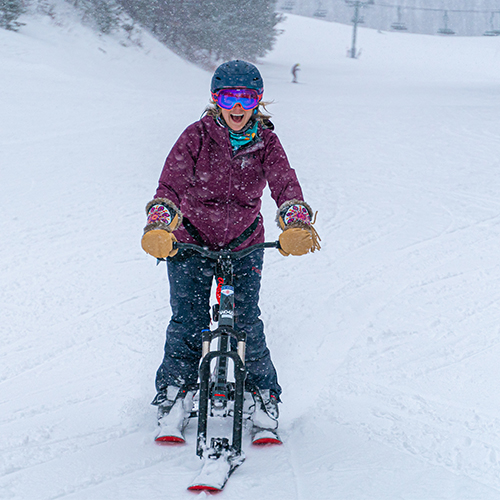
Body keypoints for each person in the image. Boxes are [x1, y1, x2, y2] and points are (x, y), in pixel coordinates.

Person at [141, 60, 320, 439]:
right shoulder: (195, 137)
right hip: (191, 241)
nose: (237, 107)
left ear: (258, 101)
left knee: (245, 321)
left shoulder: (267, 143)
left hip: (244, 242)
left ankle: (261, 393)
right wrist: (160, 223)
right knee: (187, 321)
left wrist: (297, 221)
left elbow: (286, 186)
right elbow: (169, 187)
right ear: (215, 98)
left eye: (246, 98)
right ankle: (177, 392)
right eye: (229, 97)